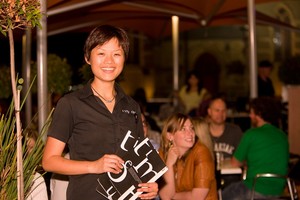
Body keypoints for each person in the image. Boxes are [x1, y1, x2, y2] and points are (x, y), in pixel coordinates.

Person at [42, 25, 158, 200]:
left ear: (124, 59)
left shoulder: (132, 106)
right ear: (88, 58)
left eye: (116, 54)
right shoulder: (70, 104)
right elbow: (49, 161)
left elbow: (138, 160)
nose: (109, 61)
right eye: (101, 53)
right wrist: (94, 166)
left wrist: (149, 184)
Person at [222, 97, 289, 200]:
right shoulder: (282, 135)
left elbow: (235, 163)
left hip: (255, 189)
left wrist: (245, 162)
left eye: (252, 113)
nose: (250, 115)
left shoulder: (251, 134)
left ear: (259, 114)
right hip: (279, 190)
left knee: (223, 194)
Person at [158, 113, 217, 200]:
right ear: (170, 136)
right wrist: (169, 165)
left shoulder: (201, 152)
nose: (190, 133)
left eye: (191, 128)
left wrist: (173, 196)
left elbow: (197, 197)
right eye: (183, 129)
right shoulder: (162, 153)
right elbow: (165, 196)